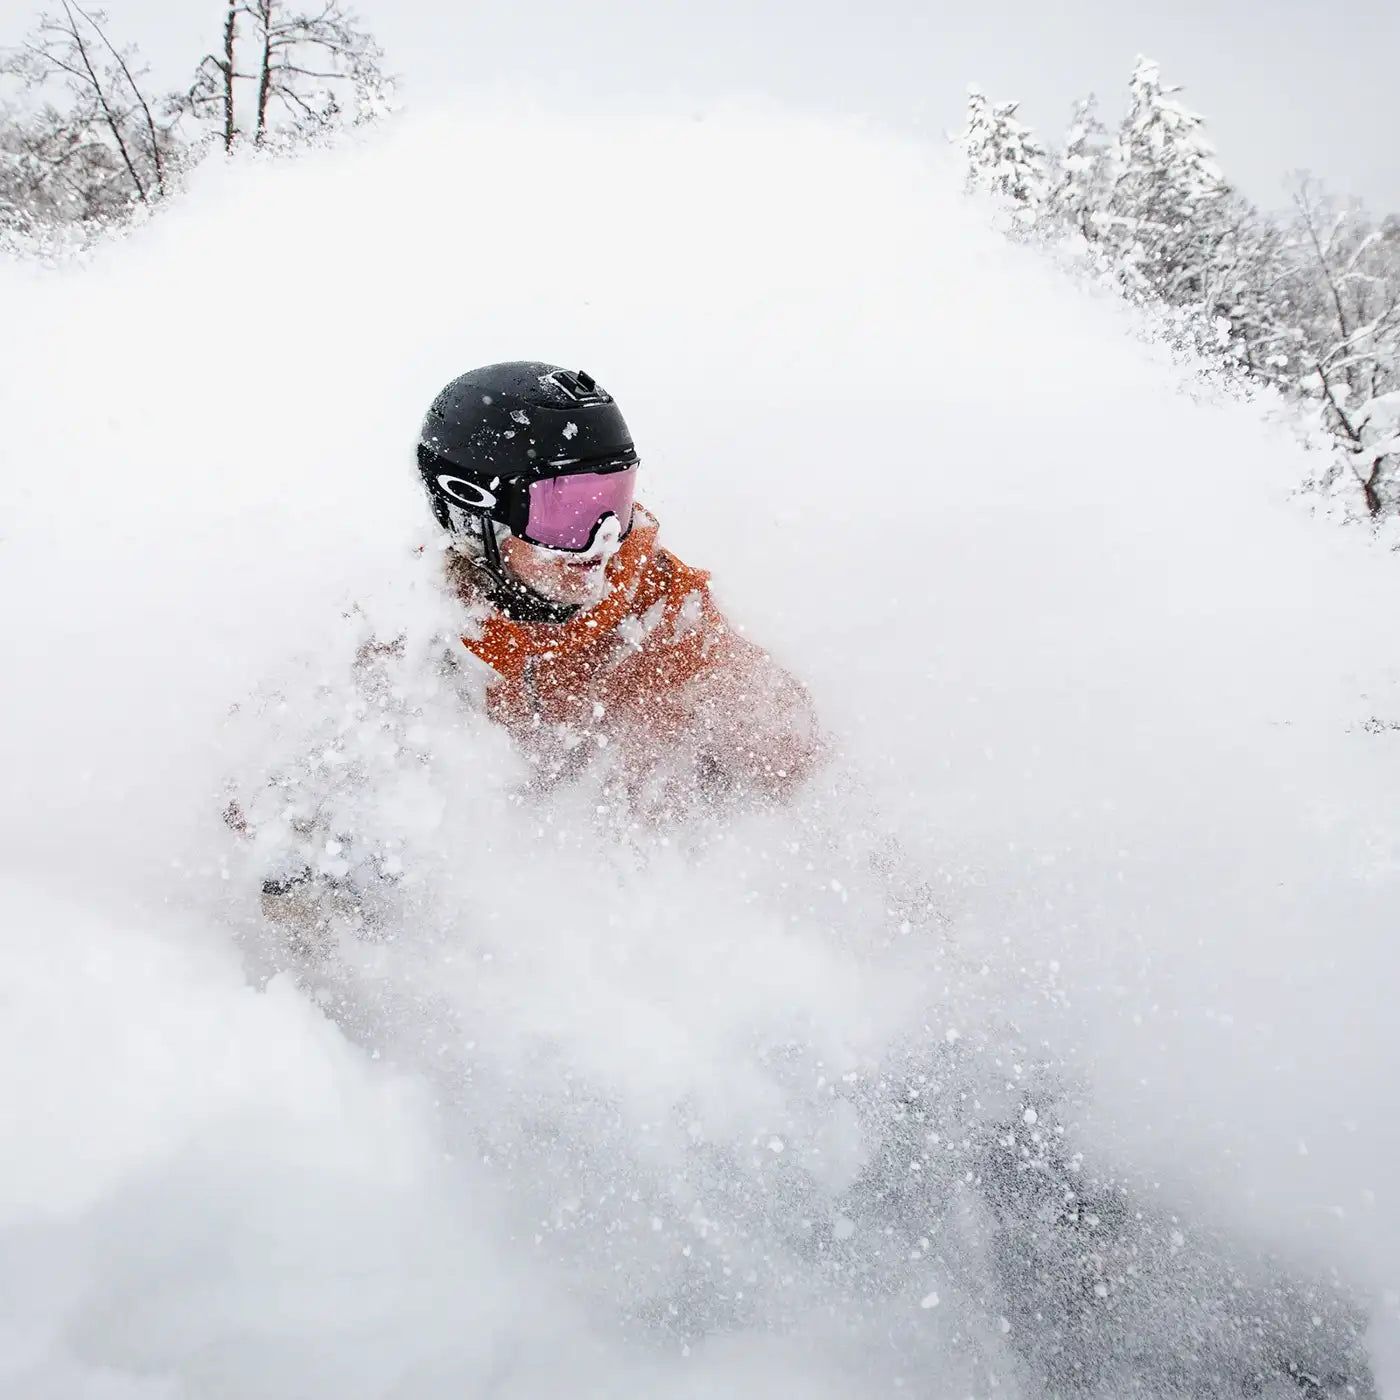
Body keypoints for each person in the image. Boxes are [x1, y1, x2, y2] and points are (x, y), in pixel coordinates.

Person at [418, 361, 823, 810]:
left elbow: (785, 740)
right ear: (472, 512)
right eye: (566, 509)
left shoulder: (648, 599)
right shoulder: (415, 635)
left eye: (613, 499)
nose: (604, 536)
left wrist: (749, 723)